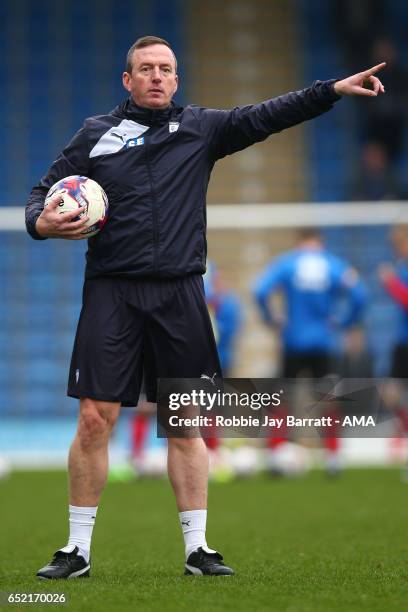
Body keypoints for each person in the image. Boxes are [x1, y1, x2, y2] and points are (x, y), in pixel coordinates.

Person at [25, 36, 385, 579]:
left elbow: (268, 115)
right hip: (112, 291)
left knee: (184, 421)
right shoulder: (94, 135)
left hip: (179, 293)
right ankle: (76, 549)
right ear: (127, 79)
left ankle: (198, 548)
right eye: (144, 68)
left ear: (176, 78)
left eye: (165, 69)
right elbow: (41, 193)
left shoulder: (201, 128)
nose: (155, 76)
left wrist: (330, 90)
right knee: (95, 419)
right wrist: (41, 222)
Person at [253, 228, 368, 475]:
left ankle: (277, 453)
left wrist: (271, 318)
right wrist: (346, 321)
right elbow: (360, 295)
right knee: (327, 399)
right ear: (320, 242)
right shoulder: (333, 264)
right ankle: (333, 457)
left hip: (293, 341)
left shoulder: (287, 263)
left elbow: (260, 291)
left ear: (298, 242)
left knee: (282, 398)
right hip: (322, 342)